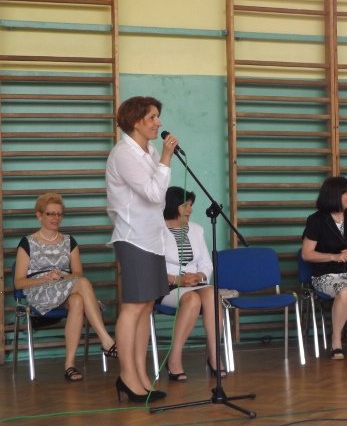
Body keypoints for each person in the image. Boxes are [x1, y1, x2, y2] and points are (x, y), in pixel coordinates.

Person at [106, 96, 180, 403]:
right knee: (133, 307)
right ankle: (127, 376)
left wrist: (160, 158)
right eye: (152, 117)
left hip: (152, 239)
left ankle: (140, 375)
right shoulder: (123, 153)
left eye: (157, 116)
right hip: (133, 238)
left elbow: (157, 197)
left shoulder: (148, 151)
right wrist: (166, 158)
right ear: (136, 121)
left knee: (146, 306)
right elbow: (153, 194)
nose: (158, 123)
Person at [14, 193, 117, 382]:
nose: (56, 218)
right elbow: (19, 282)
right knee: (83, 283)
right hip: (39, 290)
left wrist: (61, 276)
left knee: (77, 300)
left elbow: (77, 273)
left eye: (59, 214)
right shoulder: (27, 242)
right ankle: (106, 339)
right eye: (50, 214)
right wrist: (44, 278)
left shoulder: (69, 241)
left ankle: (69, 365)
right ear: (39, 215)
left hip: (64, 286)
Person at [160, 186, 226, 380]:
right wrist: (177, 279)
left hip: (194, 284)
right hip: (167, 286)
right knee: (192, 300)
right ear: (172, 205)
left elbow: (206, 263)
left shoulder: (197, 229)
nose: (190, 209)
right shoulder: (156, 230)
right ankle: (174, 359)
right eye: (185, 205)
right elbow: (151, 267)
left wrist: (199, 276)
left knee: (212, 294)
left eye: (191, 205)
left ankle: (214, 356)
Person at [301, 176, 347, 360]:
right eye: (346, 192)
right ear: (333, 195)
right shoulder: (316, 220)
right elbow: (307, 254)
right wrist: (334, 256)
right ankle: (336, 340)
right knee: (344, 291)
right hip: (326, 272)